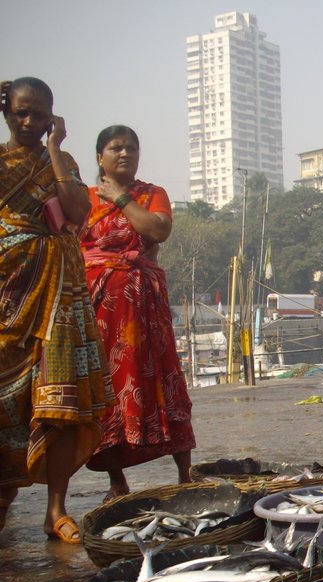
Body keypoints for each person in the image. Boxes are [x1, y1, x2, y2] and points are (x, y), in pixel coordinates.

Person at [0, 77, 112, 543]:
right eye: (21, 112)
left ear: (52, 118)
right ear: (7, 112)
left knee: (62, 402)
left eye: (39, 115)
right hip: (9, 292)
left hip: (61, 294)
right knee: (6, 403)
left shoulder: (61, 162)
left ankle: (56, 510)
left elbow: (77, 211)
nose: (29, 121)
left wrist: (54, 149)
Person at [79, 125, 196, 500]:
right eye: (116, 148)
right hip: (101, 307)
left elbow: (156, 230)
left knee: (164, 377)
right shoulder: (83, 199)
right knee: (107, 387)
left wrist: (121, 197)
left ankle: (186, 472)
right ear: (100, 157)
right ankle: (116, 480)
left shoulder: (151, 194)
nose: (125, 153)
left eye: (131, 148)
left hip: (145, 306)